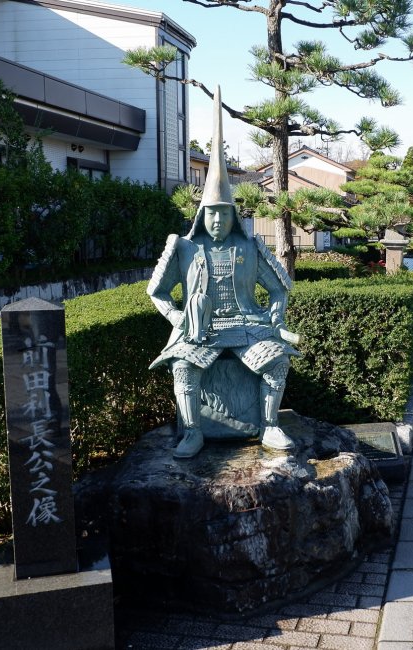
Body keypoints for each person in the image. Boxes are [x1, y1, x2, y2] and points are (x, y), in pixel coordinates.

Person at [147, 87, 299, 459]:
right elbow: (157, 291)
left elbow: (281, 288)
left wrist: (273, 317)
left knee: (277, 359)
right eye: (211, 213)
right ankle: (193, 432)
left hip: (248, 325)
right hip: (201, 329)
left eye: (224, 213)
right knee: (183, 365)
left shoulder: (249, 247)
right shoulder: (183, 247)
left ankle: (270, 426)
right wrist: (179, 317)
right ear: (201, 215)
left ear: (234, 216)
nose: (218, 220)